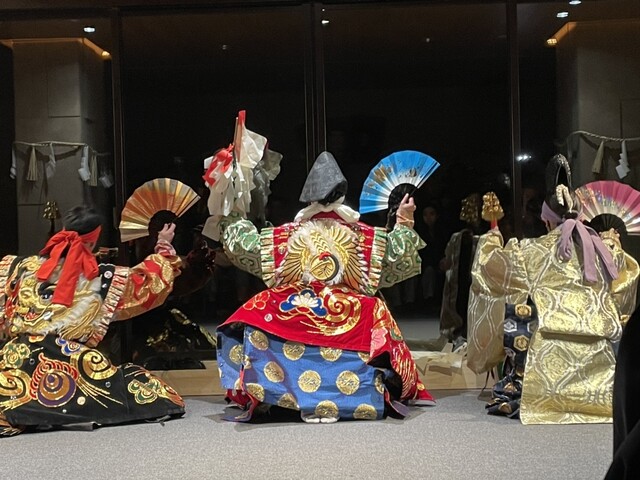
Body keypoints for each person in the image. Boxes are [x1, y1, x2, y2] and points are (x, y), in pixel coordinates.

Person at [214, 151, 434, 423]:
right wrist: (403, 221)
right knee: (374, 307)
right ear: (342, 196)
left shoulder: (286, 235)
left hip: (295, 311)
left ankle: (275, 392)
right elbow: (398, 258)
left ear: (310, 199)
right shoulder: (365, 237)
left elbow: (243, 246)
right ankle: (358, 395)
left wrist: (234, 212)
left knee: (261, 307)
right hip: (349, 315)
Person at [467, 154, 638, 424]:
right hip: (600, 355)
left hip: (546, 357)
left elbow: (489, 271)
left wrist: (491, 238)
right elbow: (625, 288)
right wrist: (613, 244)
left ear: (546, 221)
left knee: (518, 309)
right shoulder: (606, 252)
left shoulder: (529, 252)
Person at [0, 205, 185, 436]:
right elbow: (149, 283)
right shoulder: (101, 277)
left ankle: (18, 406)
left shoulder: (20, 267)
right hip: (70, 360)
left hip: (18, 357)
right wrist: (163, 246)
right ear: (92, 241)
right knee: (150, 392)